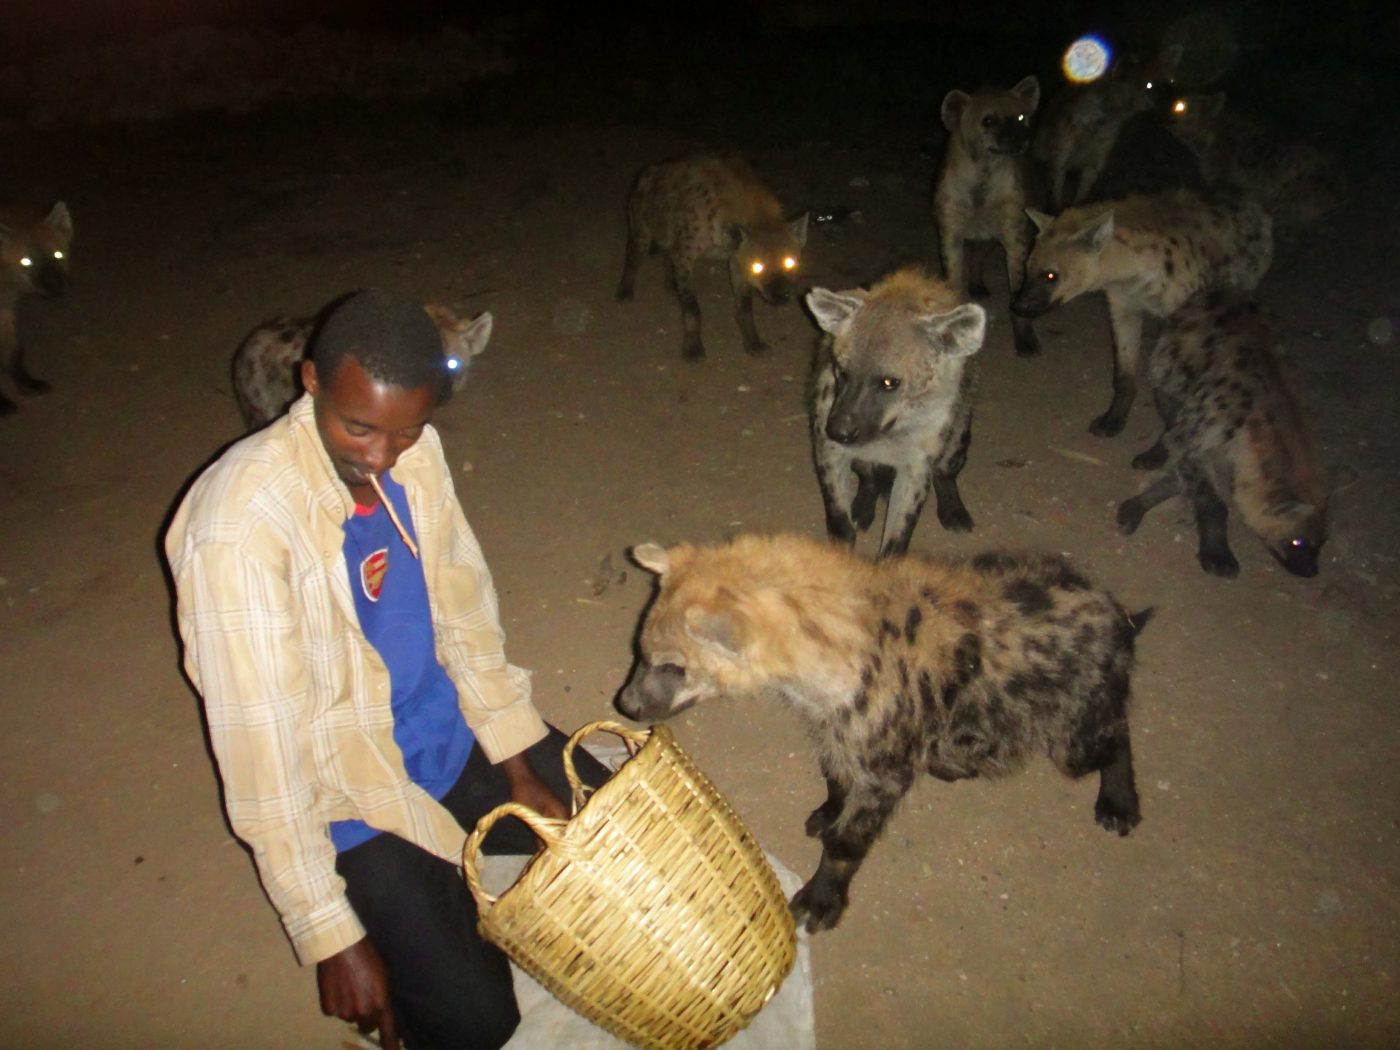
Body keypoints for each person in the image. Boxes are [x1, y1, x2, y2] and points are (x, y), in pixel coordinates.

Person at [165, 289, 607, 1050]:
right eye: (358, 426)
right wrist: (328, 931)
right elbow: (261, 754)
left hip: (443, 734)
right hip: (350, 794)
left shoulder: (416, 455)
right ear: (310, 382)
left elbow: (467, 619)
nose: (380, 456)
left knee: (612, 824)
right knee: (477, 1023)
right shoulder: (235, 534)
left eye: (406, 430)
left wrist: (514, 761)